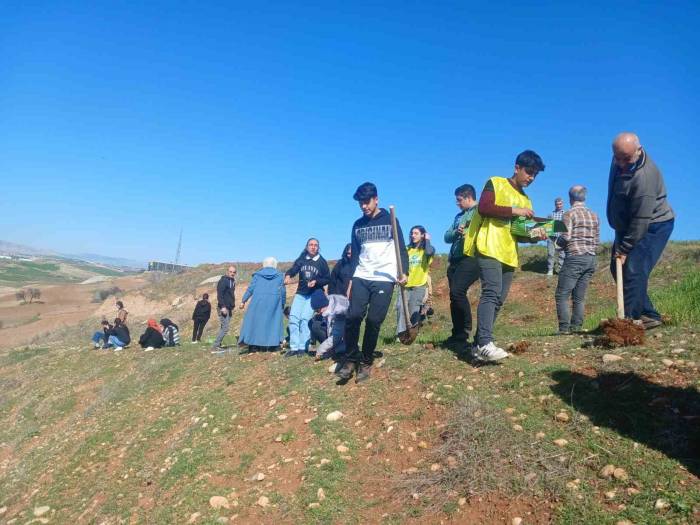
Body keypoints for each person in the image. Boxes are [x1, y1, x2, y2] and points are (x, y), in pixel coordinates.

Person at [464, 150, 548, 363]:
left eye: (535, 175)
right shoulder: (496, 183)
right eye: (529, 172)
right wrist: (515, 210)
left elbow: (519, 232)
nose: (531, 177)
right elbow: (484, 207)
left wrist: (535, 235)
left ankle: (477, 345)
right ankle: (485, 342)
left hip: (509, 253)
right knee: (491, 292)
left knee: (499, 300)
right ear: (517, 168)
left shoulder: (525, 200)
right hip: (488, 246)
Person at [336, 182, 408, 383]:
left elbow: (401, 248)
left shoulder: (391, 220)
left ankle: (366, 361)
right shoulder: (357, 225)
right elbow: (355, 256)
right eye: (360, 203)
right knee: (353, 316)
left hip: (385, 278)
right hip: (362, 275)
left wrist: (405, 272)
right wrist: (350, 279)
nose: (363, 206)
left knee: (374, 321)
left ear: (376, 199)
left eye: (366, 202)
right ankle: (351, 358)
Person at [607, 132, 674, 329]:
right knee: (616, 267)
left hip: (653, 225)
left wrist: (625, 249)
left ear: (639, 150)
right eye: (617, 158)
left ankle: (628, 323)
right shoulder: (620, 159)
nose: (620, 164)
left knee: (634, 269)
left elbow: (641, 220)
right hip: (628, 224)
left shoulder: (644, 176)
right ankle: (648, 314)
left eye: (625, 159)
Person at [554, 186, 600, 334]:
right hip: (591, 258)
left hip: (575, 257)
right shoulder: (594, 215)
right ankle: (576, 327)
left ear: (570, 198)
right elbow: (597, 240)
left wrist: (555, 243)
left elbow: (566, 237)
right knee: (579, 297)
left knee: (562, 295)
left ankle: (564, 328)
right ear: (584, 197)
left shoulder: (569, 214)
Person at [443, 184, 480, 352]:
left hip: (471, 257)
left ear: (468, 197)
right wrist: (456, 233)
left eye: (459, 200)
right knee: (454, 295)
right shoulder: (458, 216)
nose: (457, 203)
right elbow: (446, 236)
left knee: (457, 291)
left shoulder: (481, 211)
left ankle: (465, 330)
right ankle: (457, 333)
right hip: (455, 260)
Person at [283, 239, 331, 357]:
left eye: (316, 245)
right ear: (307, 247)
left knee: (305, 319)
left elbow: (327, 278)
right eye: (311, 245)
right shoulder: (302, 259)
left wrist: (316, 281)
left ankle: (302, 348)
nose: (313, 247)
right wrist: (288, 275)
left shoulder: (322, 262)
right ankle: (294, 347)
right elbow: (294, 269)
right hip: (301, 293)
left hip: (313, 294)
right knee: (293, 319)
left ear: (318, 248)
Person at [238, 257, 286, 351]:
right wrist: (282, 303)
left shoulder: (258, 275)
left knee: (255, 322)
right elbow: (283, 291)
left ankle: (253, 346)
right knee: (273, 322)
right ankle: (273, 346)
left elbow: (251, 289)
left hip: (258, 300)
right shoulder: (280, 276)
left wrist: (243, 300)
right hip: (274, 301)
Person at [396, 225, 435, 334]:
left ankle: (411, 334)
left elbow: (428, 252)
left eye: (416, 233)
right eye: (412, 233)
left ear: (422, 235)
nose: (413, 235)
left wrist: (427, 240)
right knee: (401, 308)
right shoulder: (407, 249)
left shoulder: (427, 249)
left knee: (413, 310)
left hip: (419, 285)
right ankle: (401, 334)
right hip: (405, 284)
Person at [308, 289, 348, 361]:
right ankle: (329, 349)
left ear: (322, 305)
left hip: (346, 337)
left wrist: (320, 350)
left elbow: (336, 337)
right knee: (313, 323)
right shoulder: (328, 302)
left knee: (342, 347)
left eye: (317, 310)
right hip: (335, 334)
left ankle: (336, 350)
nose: (317, 312)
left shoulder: (339, 311)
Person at [211, 266, 236, 352]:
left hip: (229, 308)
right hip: (223, 308)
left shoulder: (232, 281)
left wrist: (231, 306)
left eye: (234, 272)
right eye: (231, 272)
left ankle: (218, 344)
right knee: (225, 328)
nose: (232, 273)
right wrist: (223, 307)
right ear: (227, 272)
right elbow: (220, 295)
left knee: (223, 327)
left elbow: (230, 295)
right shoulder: (223, 281)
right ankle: (216, 345)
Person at [546, 197, 566, 276]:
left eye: (560, 204)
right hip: (551, 237)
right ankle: (550, 270)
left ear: (562, 204)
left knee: (562, 254)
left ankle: (560, 270)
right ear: (555, 205)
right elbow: (547, 225)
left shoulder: (566, 214)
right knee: (551, 254)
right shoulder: (551, 214)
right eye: (557, 204)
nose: (559, 205)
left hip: (561, 236)